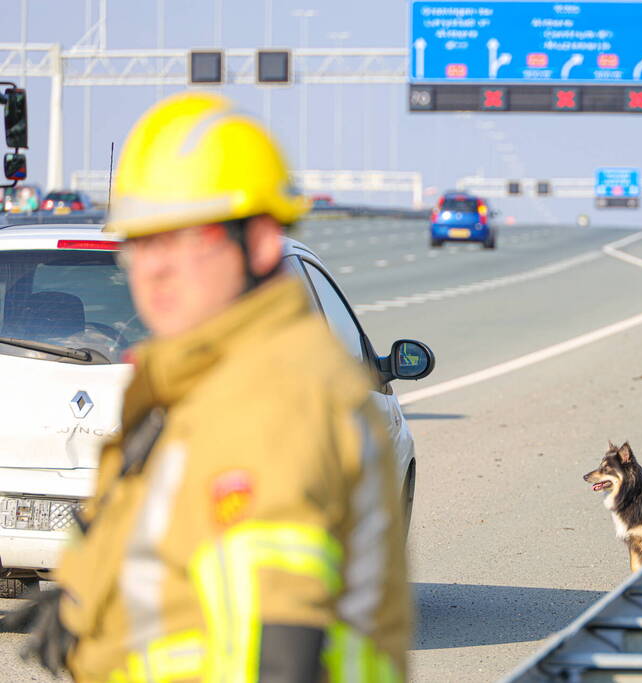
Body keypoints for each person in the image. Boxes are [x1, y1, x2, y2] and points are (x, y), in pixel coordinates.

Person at [2, 92, 409, 681]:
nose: (155, 267)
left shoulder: (281, 399)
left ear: (262, 242)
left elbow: (282, 644)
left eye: (187, 238)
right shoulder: (196, 389)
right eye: (142, 242)